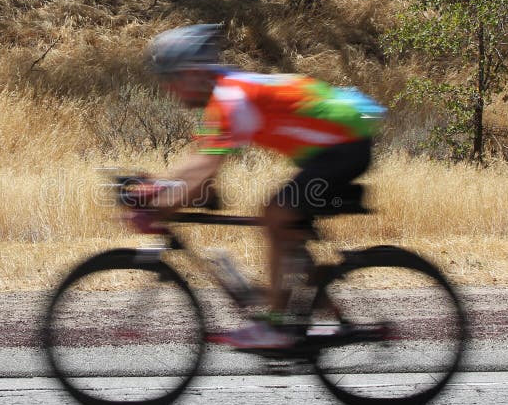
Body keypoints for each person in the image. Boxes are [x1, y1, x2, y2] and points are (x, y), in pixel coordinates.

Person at [130, 24, 385, 349]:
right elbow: (199, 165)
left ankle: (276, 326)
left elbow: (203, 170)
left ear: (192, 73)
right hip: (331, 148)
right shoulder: (223, 96)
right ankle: (316, 308)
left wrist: (157, 204)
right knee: (285, 227)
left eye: (171, 80)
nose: (169, 90)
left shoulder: (230, 98)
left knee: (275, 212)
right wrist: (158, 188)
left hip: (345, 145)